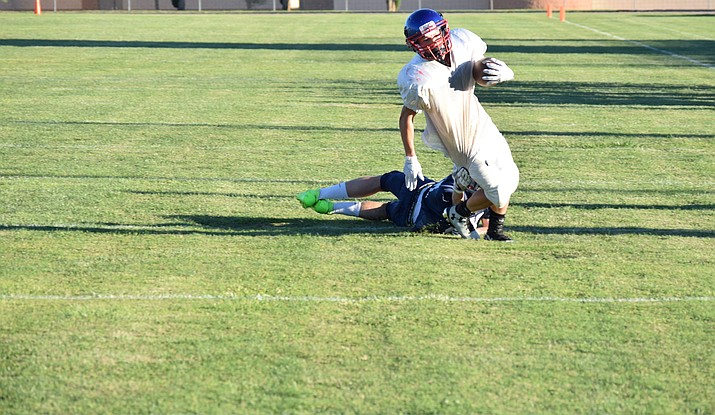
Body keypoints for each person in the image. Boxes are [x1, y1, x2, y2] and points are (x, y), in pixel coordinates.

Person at [398, 8, 519, 241]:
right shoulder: (416, 75)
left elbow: (475, 71)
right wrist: (410, 158)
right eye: (423, 40)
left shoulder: (462, 41)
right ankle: (458, 212)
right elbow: (406, 116)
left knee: (510, 177)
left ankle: (495, 231)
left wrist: (500, 72)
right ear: (414, 44)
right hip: (458, 139)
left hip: (481, 123)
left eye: (433, 35)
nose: (431, 43)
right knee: (498, 189)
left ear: (444, 29)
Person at [296, 170, 489, 238]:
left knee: (385, 202)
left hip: (423, 209)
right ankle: (323, 200)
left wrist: (470, 230)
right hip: (423, 197)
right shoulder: (474, 174)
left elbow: (460, 208)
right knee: (386, 190)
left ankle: (326, 203)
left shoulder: (488, 194)